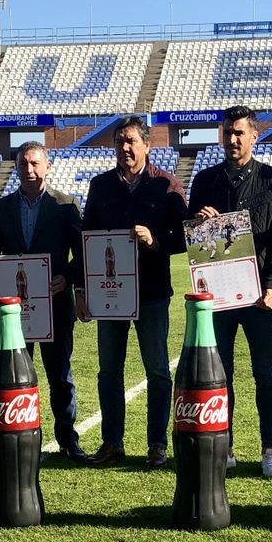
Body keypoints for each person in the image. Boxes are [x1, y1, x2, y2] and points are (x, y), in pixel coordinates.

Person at [186, 105, 272, 479]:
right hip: (217, 296)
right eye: (227, 133)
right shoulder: (204, 180)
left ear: (254, 136)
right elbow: (193, 239)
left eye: (239, 133)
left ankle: (269, 450)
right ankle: (226, 446)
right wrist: (199, 224)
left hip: (259, 296)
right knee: (221, 374)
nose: (232, 140)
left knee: (265, 374)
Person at [76, 114, 188, 468]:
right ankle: (113, 442)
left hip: (152, 293)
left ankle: (157, 444)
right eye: (120, 141)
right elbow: (85, 241)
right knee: (109, 370)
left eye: (131, 141)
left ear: (146, 145)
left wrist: (155, 240)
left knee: (156, 369)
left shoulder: (167, 186)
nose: (125, 148)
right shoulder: (101, 185)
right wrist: (81, 289)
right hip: (110, 293)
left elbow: (185, 237)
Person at [0, 142, 88, 462]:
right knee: (18, 376)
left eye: (35, 164)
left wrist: (67, 279)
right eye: (24, 164)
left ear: (47, 166)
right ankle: (25, 439)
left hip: (55, 304)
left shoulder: (66, 206)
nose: (29, 170)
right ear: (16, 168)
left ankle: (68, 439)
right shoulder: (2, 208)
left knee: (60, 374)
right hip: (17, 310)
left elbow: (81, 254)